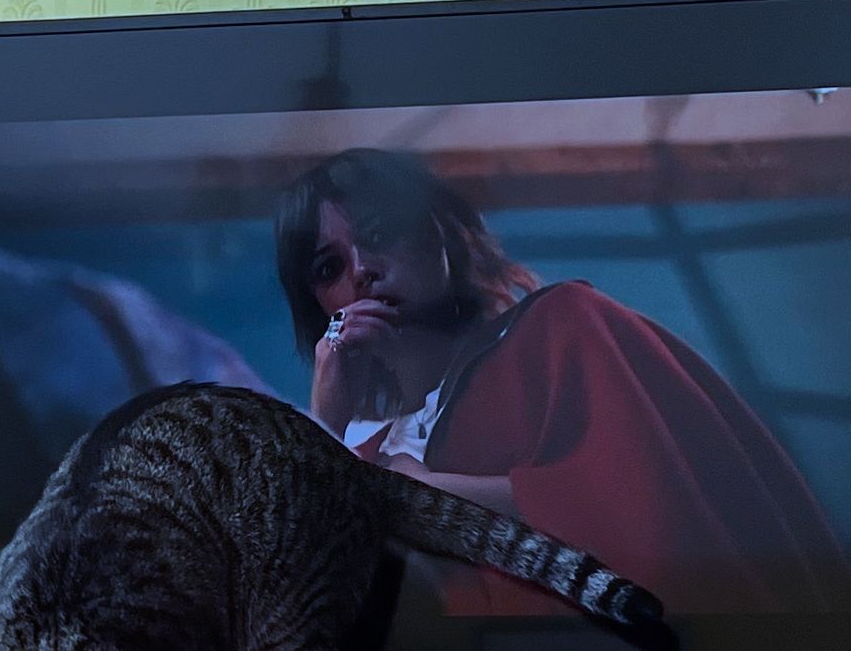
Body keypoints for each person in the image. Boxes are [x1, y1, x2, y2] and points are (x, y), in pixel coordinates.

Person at [275, 148, 851, 616]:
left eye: (378, 233)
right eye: (329, 268)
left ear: (433, 229)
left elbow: (644, 519)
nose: (362, 270)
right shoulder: (364, 450)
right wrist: (325, 422)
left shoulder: (563, 328)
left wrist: (416, 485)